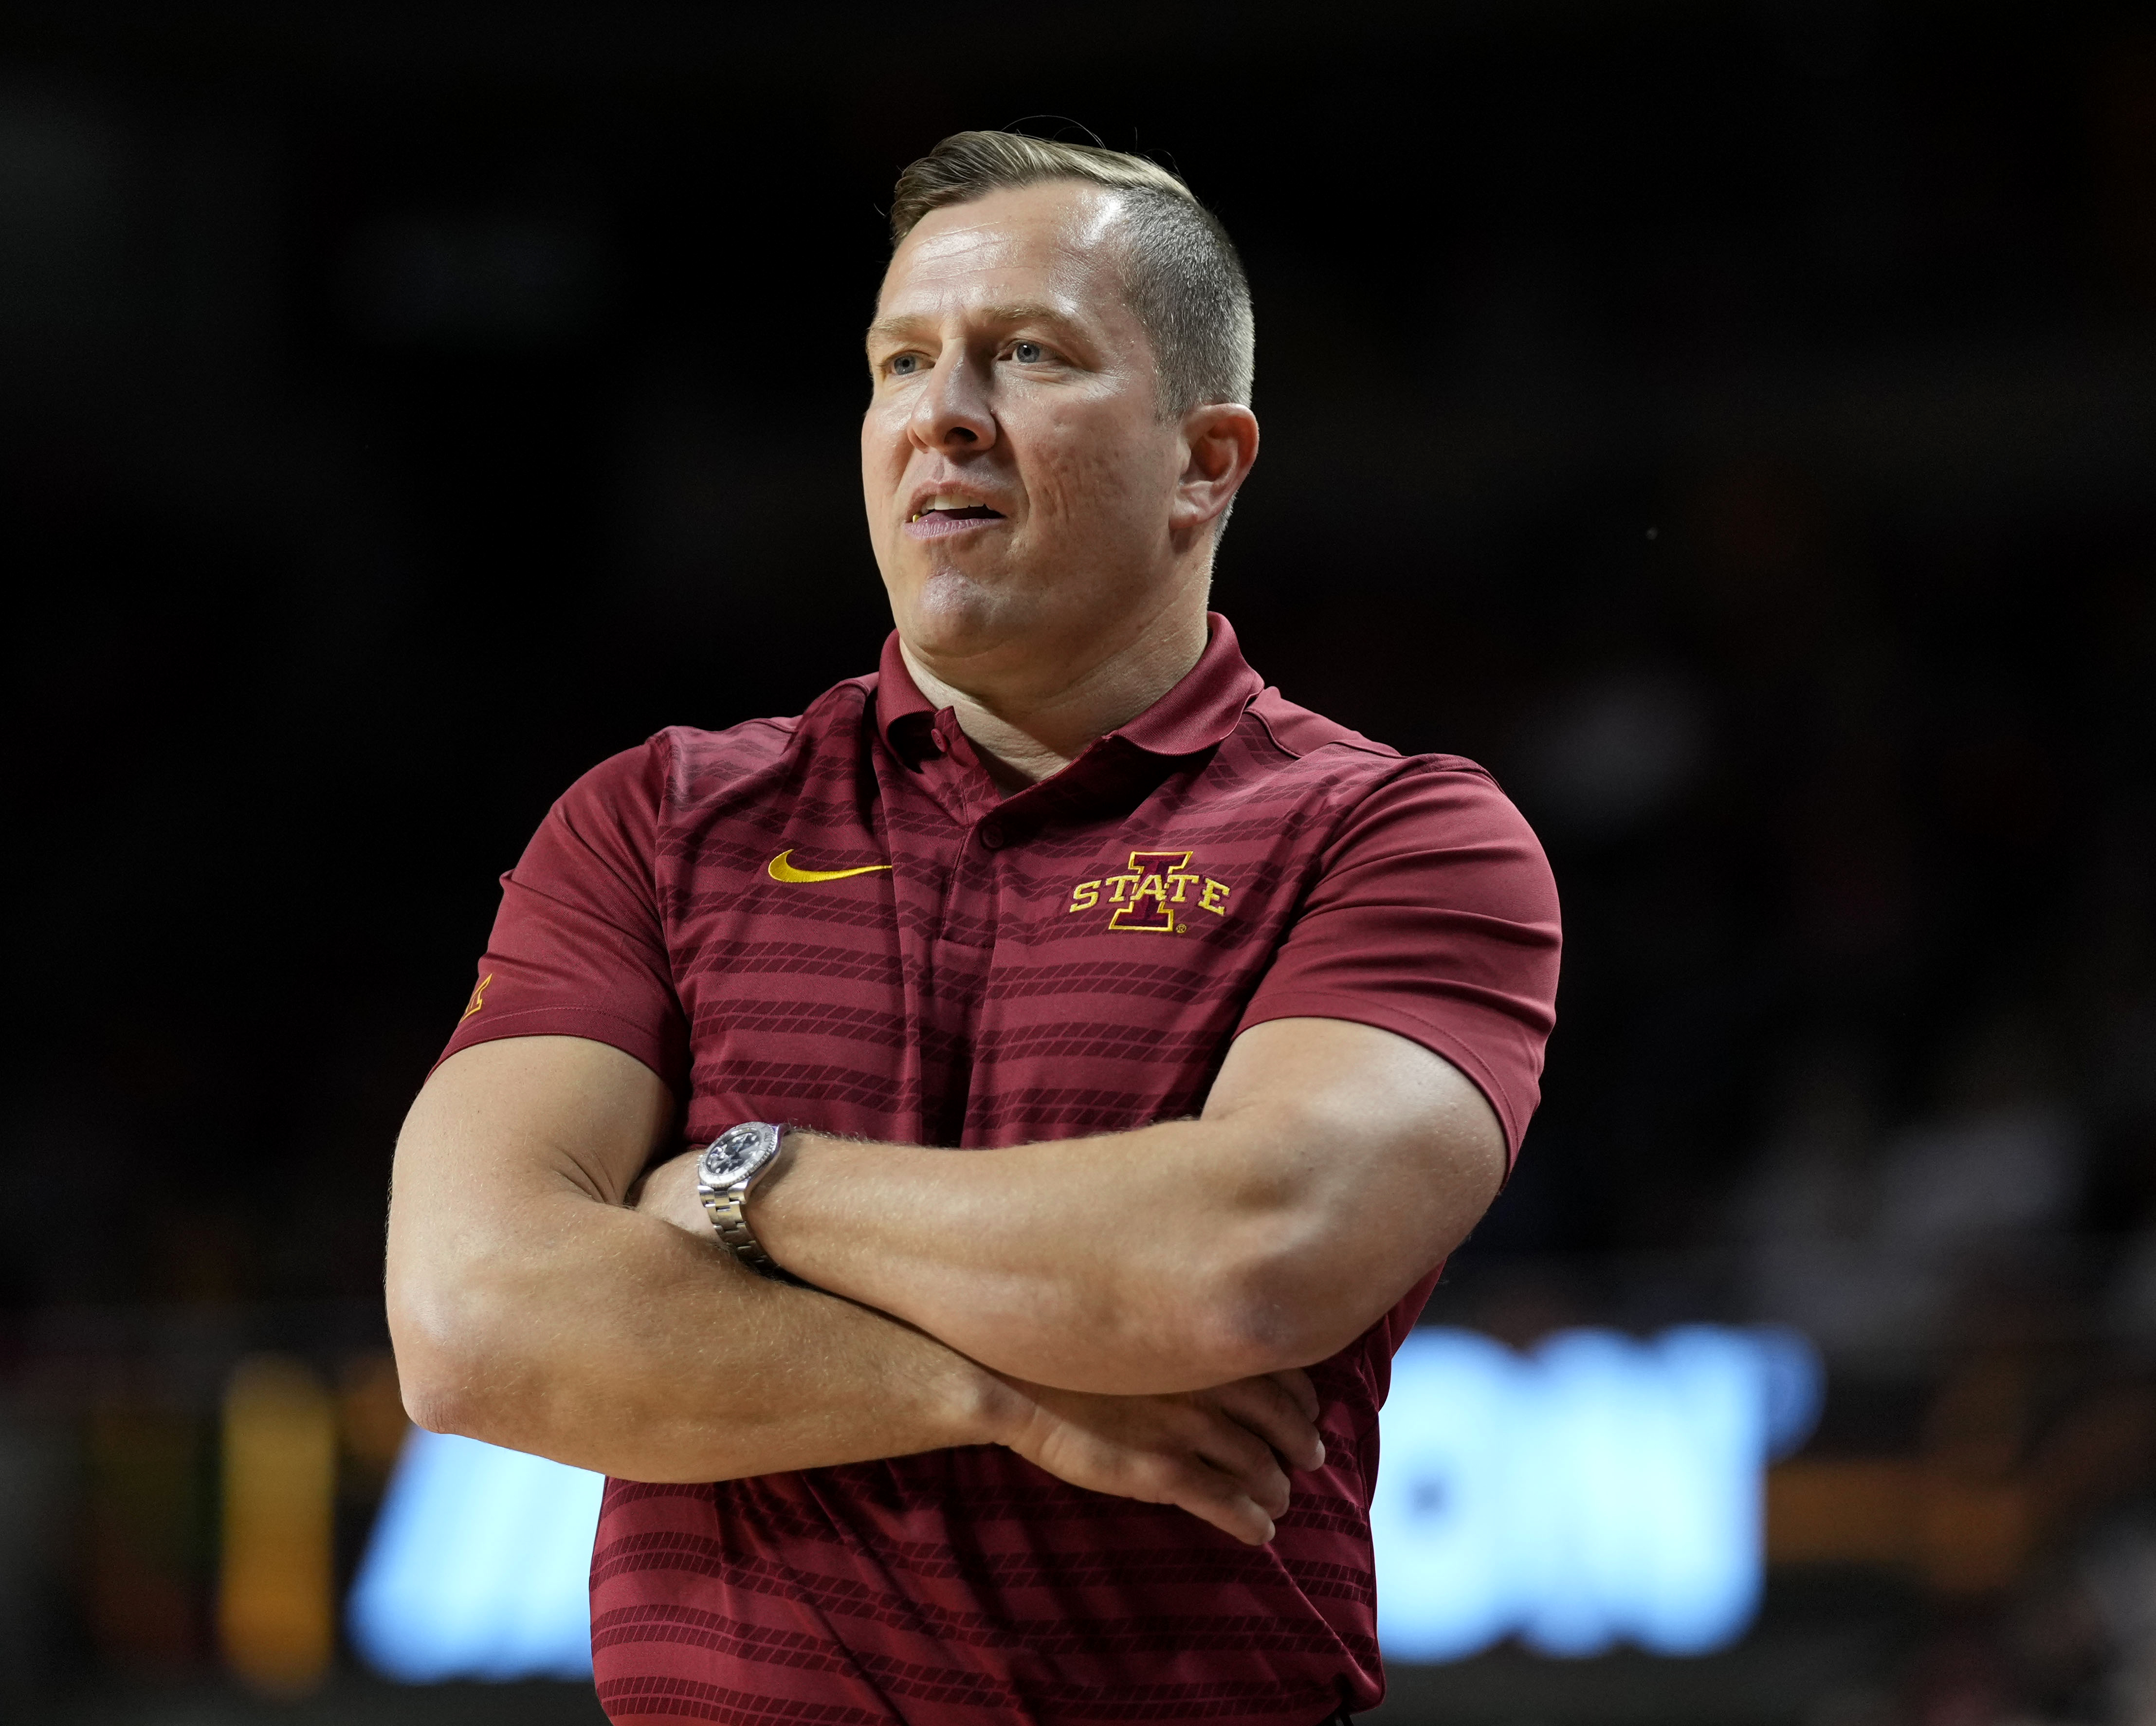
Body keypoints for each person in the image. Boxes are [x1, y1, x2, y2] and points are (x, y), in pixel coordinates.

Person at [385, 130, 1561, 1725]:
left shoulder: (1396, 833)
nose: (941, 413)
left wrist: (744, 1183)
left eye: (1025, 354)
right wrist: (1003, 1393)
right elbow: (474, 1319)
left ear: (1207, 461)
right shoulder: (656, 820)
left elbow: (1243, 1260)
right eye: (902, 360)